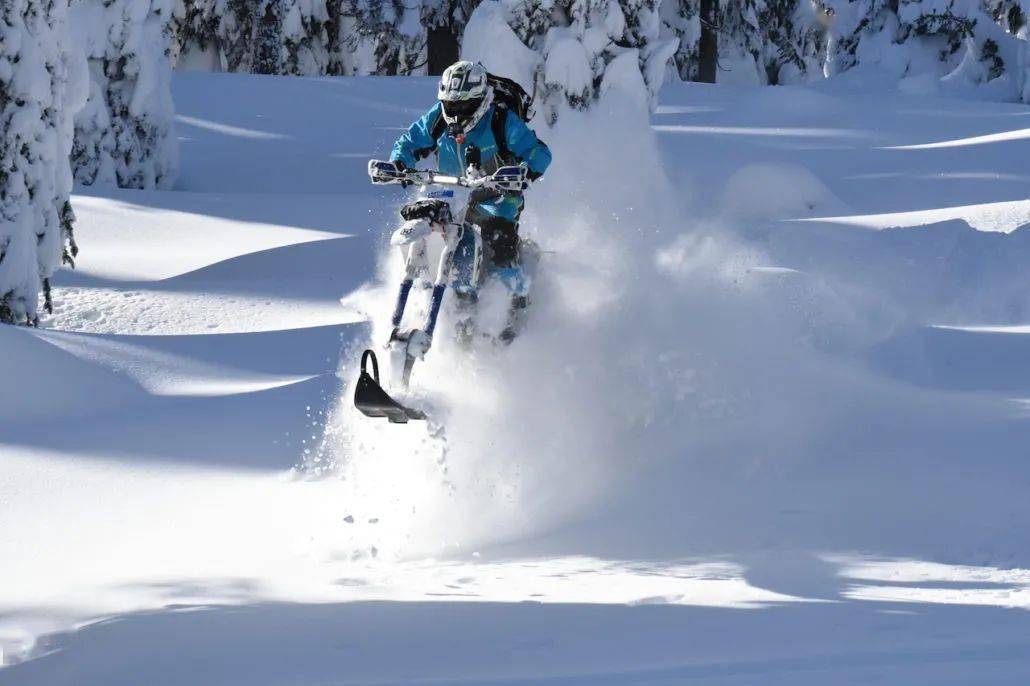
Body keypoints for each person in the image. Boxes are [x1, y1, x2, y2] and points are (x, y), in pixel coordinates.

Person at [389, 60, 551, 342]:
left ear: (480, 100)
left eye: (463, 106)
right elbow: (411, 140)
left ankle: (514, 306)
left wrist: (523, 172)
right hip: (449, 195)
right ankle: (412, 311)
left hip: (497, 196)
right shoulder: (438, 118)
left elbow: (538, 152)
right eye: (451, 105)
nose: (456, 113)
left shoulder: (500, 120)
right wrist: (397, 164)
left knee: (498, 244)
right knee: (423, 229)